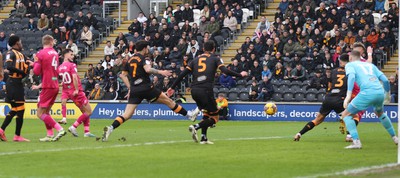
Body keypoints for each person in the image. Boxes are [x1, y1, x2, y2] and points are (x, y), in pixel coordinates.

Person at [101, 41, 197, 142]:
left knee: (127, 114)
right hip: (146, 88)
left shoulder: (129, 60)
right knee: (169, 101)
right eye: (147, 48)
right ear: (144, 49)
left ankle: (110, 128)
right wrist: (161, 72)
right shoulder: (143, 59)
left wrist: (130, 88)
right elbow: (147, 70)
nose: (147, 50)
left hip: (135, 90)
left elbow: (123, 75)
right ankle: (189, 115)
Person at [167, 40, 248, 144]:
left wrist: (172, 87)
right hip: (205, 90)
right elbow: (225, 71)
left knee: (207, 113)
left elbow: (182, 74)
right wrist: (240, 74)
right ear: (213, 49)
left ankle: (204, 138)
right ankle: (196, 127)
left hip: (194, 91)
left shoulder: (195, 59)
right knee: (215, 116)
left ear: (203, 49)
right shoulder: (215, 58)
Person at [341, 51, 398, 149]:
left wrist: (348, 96)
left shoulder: (350, 65)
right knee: (380, 113)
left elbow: (351, 77)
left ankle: (356, 142)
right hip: (379, 92)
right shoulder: (370, 65)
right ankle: (395, 138)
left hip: (367, 93)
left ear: (350, 58)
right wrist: (387, 94)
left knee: (345, 114)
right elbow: (384, 80)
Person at [294, 54, 353, 141]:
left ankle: (299, 134)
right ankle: (349, 136)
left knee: (317, 120)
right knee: (350, 116)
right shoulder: (350, 71)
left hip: (329, 98)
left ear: (340, 61)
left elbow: (329, 84)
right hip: (340, 99)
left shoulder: (334, 71)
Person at [33, 35, 66, 142]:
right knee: (46, 112)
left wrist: (35, 63)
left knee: (40, 113)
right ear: (51, 42)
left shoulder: (40, 53)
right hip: (55, 84)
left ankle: (59, 129)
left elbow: (36, 71)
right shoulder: (55, 53)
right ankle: (49, 134)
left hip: (47, 85)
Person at [58, 49, 95, 137]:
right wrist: (77, 89)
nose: (73, 56)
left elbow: (59, 79)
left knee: (84, 112)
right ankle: (74, 126)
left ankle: (86, 132)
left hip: (69, 91)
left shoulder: (59, 67)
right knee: (89, 112)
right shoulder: (72, 65)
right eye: (71, 54)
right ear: (65, 55)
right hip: (76, 92)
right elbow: (74, 77)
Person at [0, 36, 30, 142]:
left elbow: (28, 63)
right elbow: (8, 66)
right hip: (14, 83)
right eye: (20, 42)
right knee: (21, 109)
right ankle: (17, 136)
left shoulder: (21, 54)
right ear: (17, 43)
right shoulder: (11, 53)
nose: (21, 44)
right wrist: (22, 73)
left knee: (15, 109)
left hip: (15, 83)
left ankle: (1, 130)